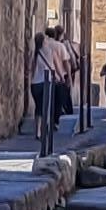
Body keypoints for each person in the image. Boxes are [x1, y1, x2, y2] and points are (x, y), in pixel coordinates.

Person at [29, 23, 68, 157]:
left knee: (38, 108)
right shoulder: (50, 51)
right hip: (47, 83)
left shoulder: (35, 53)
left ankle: (37, 131)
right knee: (46, 107)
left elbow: (31, 69)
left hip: (35, 84)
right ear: (44, 41)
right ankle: (45, 131)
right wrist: (61, 78)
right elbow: (56, 66)